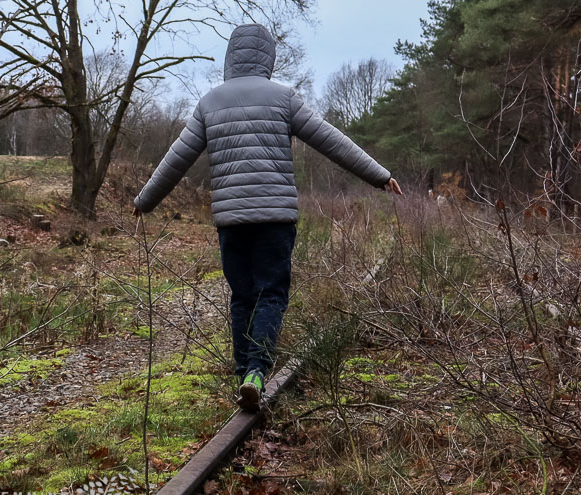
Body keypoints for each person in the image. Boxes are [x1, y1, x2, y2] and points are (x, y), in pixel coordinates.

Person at [133, 23, 402, 412]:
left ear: (230, 57)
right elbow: (331, 140)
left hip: (231, 221)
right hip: (275, 220)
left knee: (242, 295)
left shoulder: (210, 102)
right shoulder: (284, 98)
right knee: (271, 293)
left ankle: (244, 371)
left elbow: (177, 158)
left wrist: (144, 201)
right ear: (268, 58)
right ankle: (256, 371)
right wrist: (380, 175)